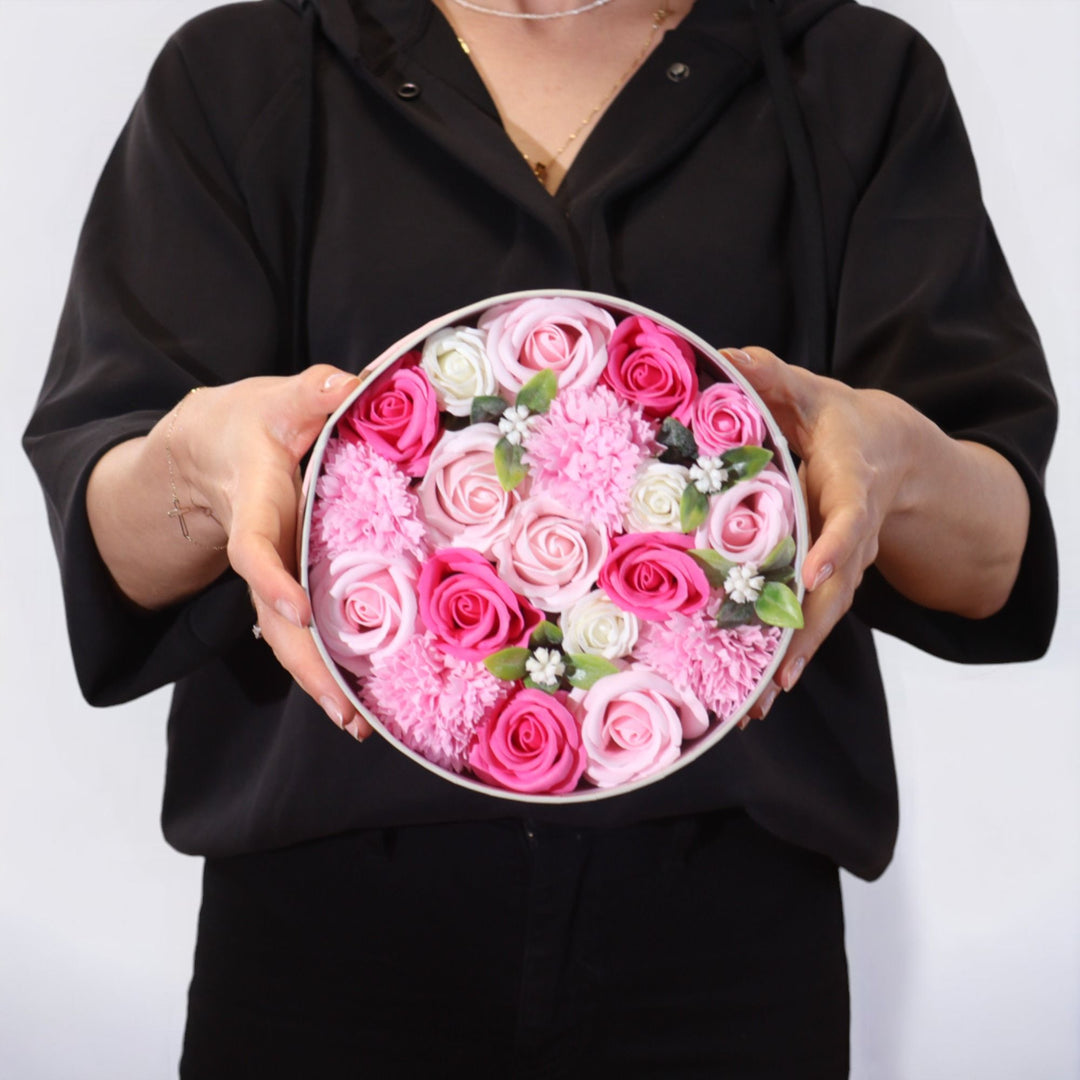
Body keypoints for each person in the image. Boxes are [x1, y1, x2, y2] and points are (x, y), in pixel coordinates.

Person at [23, 0, 1057, 1076]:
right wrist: (196, 468)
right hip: (326, 947)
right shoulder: (246, 72)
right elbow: (114, 551)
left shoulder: (851, 73)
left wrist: (898, 465)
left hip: (727, 945)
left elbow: (995, 561)